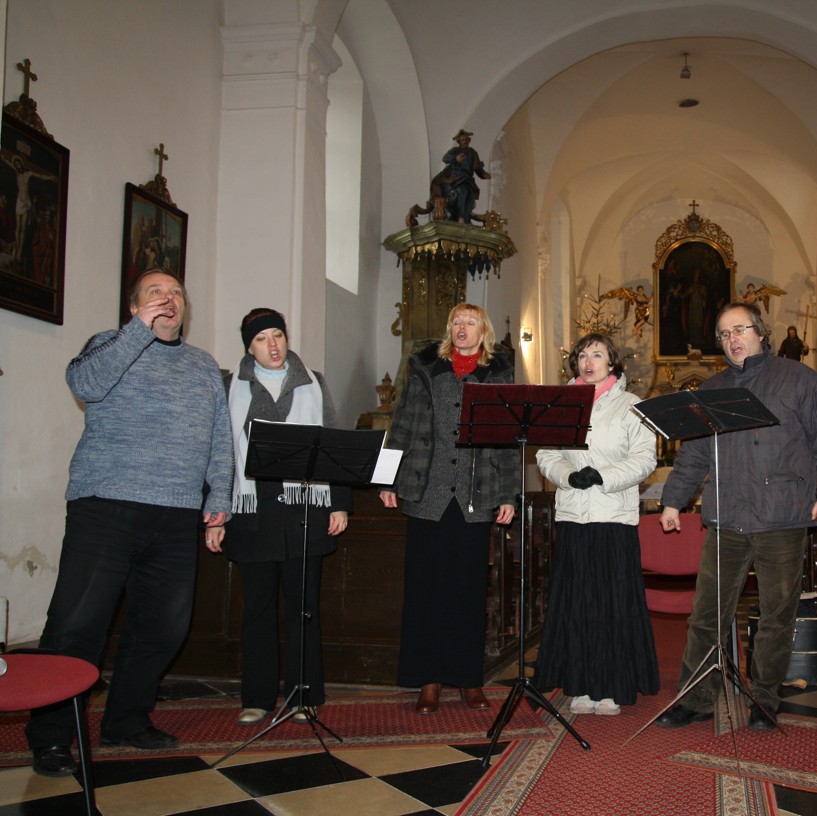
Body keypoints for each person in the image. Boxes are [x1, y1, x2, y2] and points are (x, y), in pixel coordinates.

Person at [26, 269, 233, 777]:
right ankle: (52, 736)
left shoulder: (204, 366)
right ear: (134, 306)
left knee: (163, 628)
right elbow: (85, 383)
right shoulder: (108, 345)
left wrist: (219, 497)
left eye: (177, 293)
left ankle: (126, 720)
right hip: (106, 506)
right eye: (156, 293)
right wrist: (136, 331)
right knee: (76, 625)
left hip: (178, 511)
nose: (170, 300)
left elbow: (220, 438)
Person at [655, 301, 817, 731]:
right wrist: (673, 501)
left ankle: (764, 698)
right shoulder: (712, 389)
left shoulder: (799, 379)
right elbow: (694, 453)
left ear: (760, 332)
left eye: (739, 329)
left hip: (782, 515)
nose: (732, 339)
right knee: (707, 614)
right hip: (727, 517)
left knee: (776, 615)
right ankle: (698, 697)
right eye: (724, 334)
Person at [216, 308, 352, 727]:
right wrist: (216, 511)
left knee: (303, 607)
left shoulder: (313, 381)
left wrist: (340, 502)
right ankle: (256, 697)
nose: (273, 345)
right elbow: (220, 450)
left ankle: (303, 694)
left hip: (305, 505)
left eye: (278, 335)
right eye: (262, 339)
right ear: (249, 346)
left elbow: (332, 438)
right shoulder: (229, 385)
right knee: (257, 608)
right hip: (252, 505)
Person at [380, 303, 517, 714]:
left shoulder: (498, 373)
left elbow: (509, 440)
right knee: (426, 592)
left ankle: (469, 679)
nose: (462, 327)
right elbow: (400, 423)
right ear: (449, 328)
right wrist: (388, 479)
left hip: (476, 497)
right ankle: (429, 680)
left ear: (484, 332)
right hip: (427, 494)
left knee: (468, 593)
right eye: (456, 321)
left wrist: (508, 495)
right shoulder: (424, 366)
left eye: (470, 322)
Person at [534, 333, 660, 715]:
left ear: (612, 363)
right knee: (578, 603)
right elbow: (546, 451)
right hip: (573, 514)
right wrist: (568, 476)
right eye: (583, 355)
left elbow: (644, 458)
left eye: (598, 355)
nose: (588, 361)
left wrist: (602, 476)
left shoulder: (630, 405)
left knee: (610, 603)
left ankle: (609, 685)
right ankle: (581, 684)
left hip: (612, 516)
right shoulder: (560, 404)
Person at [442, 129, 491, 223]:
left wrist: (483, 174)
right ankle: (460, 216)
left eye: (466, 140)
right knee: (462, 191)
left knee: (470, 195)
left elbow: (476, 167)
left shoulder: (472, 152)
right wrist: (455, 158)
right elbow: (445, 158)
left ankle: (466, 217)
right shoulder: (455, 150)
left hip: (468, 178)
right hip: (458, 176)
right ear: (459, 141)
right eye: (463, 140)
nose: (465, 141)